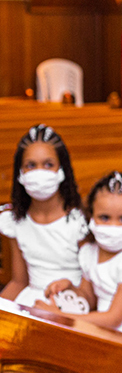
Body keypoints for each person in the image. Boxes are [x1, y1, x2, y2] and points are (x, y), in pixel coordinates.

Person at [37, 171, 122, 345]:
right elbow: (89, 297)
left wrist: (59, 316)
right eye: (104, 217)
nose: (113, 226)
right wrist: (70, 287)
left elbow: (114, 318)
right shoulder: (89, 253)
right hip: (103, 325)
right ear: (91, 217)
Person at [0, 124, 85, 306]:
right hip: (32, 299)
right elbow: (18, 282)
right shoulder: (16, 221)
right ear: (21, 173)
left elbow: (92, 285)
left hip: (74, 301)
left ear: (61, 170)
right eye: (31, 165)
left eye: (48, 164)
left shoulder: (79, 221)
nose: (40, 172)